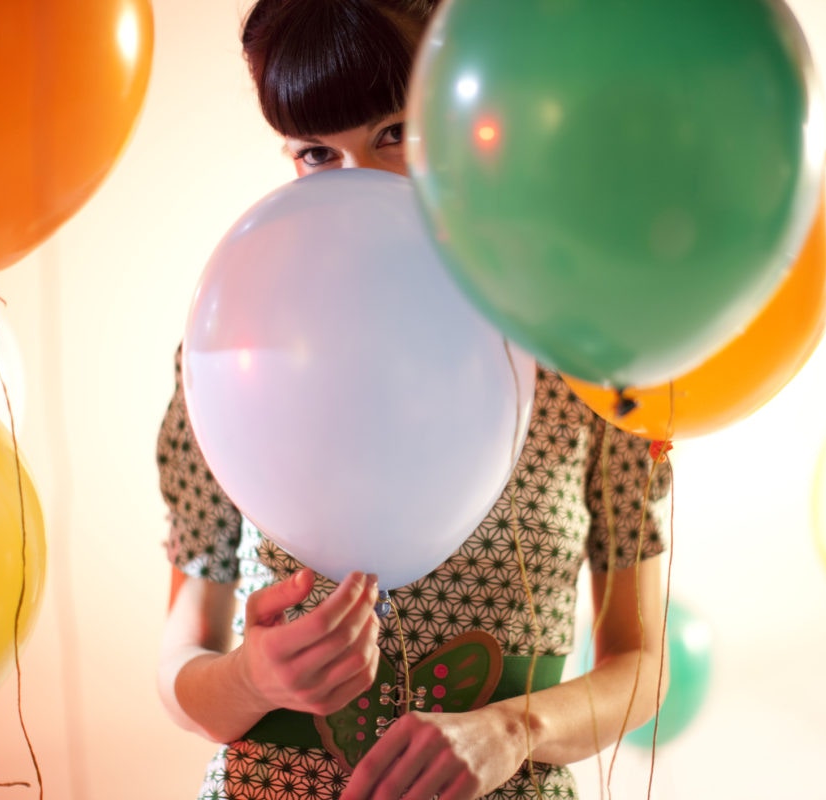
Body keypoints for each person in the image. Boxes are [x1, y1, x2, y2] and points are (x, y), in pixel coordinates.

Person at [156, 1, 673, 798]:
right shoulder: (237, 343)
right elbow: (179, 664)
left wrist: (514, 728)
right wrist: (253, 680)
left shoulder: (583, 355)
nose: (357, 182)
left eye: (395, 133)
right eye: (317, 152)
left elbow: (640, 666)